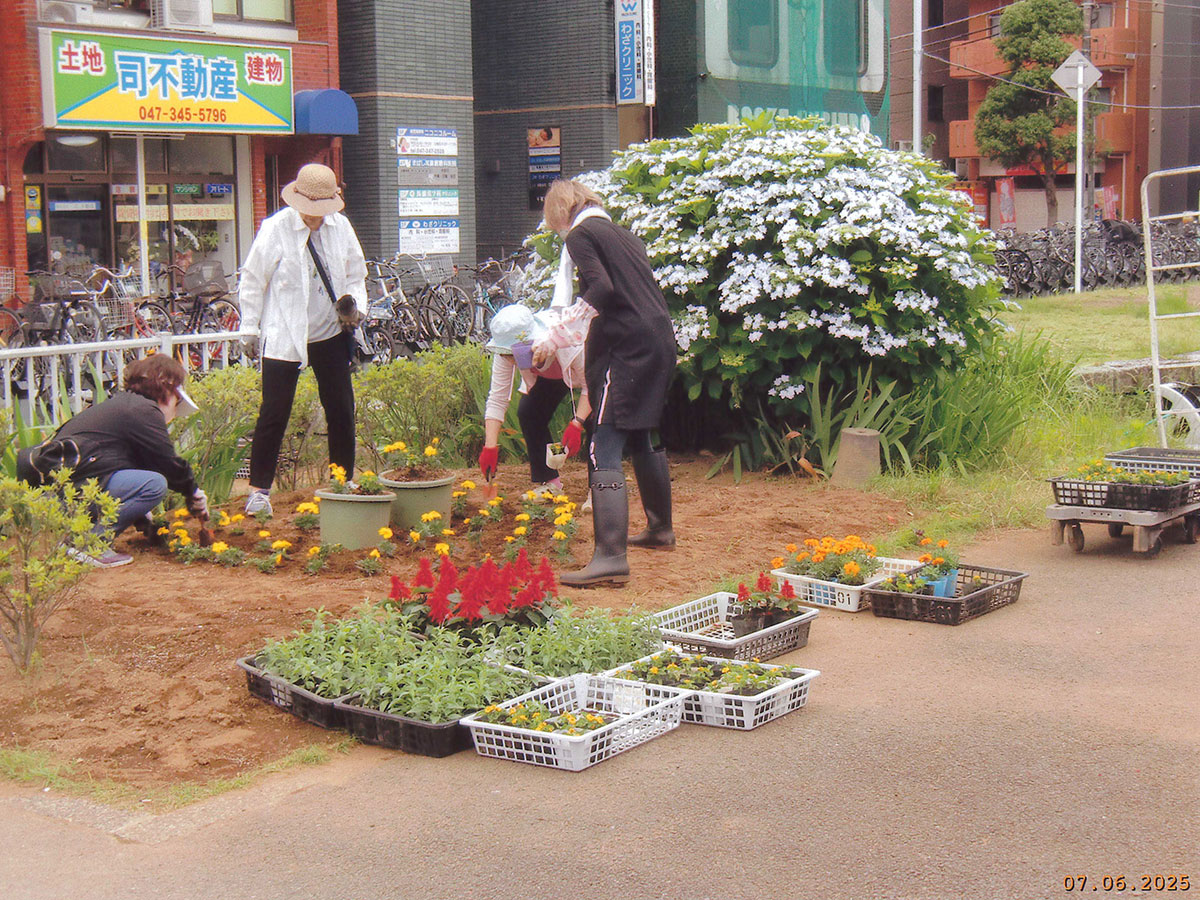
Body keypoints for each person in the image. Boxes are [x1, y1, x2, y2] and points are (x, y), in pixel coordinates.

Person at [538, 179, 677, 587]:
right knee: (642, 434)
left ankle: (610, 556)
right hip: (658, 339)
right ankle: (659, 529)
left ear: (562, 212)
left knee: (605, 446)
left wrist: (555, 335)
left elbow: (601, 289)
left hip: (628, 346)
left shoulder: (581, 234)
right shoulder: (623, 235)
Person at [239, 163, 368, 516]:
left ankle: (342, 479)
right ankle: (259, 491)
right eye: (309, 211)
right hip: (284, 332)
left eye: (320, 211)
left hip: (328, 331)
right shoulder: (275, 228)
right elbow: (252, 279)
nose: (314, 217)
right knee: (274, 411)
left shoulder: (340, 227)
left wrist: (355, 307)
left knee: (341, 408)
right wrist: (249, 326)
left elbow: (356, 273)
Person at [17, 355, 206, 568]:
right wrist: (194, 493)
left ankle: (80, 541)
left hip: (54, 489)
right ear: (167, 390)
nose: (175, 410)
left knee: (149, 480)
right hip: (67, 490)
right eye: (177, 402)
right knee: (156, 484)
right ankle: (89, 544)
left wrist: (147, 523)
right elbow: (167, 464)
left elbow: (123, 471)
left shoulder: (125, 406)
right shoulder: (143, 410)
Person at [479, 304, 590, 492]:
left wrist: (577, 423)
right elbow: (497, 398)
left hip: (581, 374)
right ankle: (551, 483)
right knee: (529, 412)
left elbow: (592, 386)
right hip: (549, 376)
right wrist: (490, 446)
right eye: (506, 353)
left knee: (596, 420)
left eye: (514, 353)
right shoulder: (505, 353)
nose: (511, 359)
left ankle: (599, 487)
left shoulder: (569, 340)